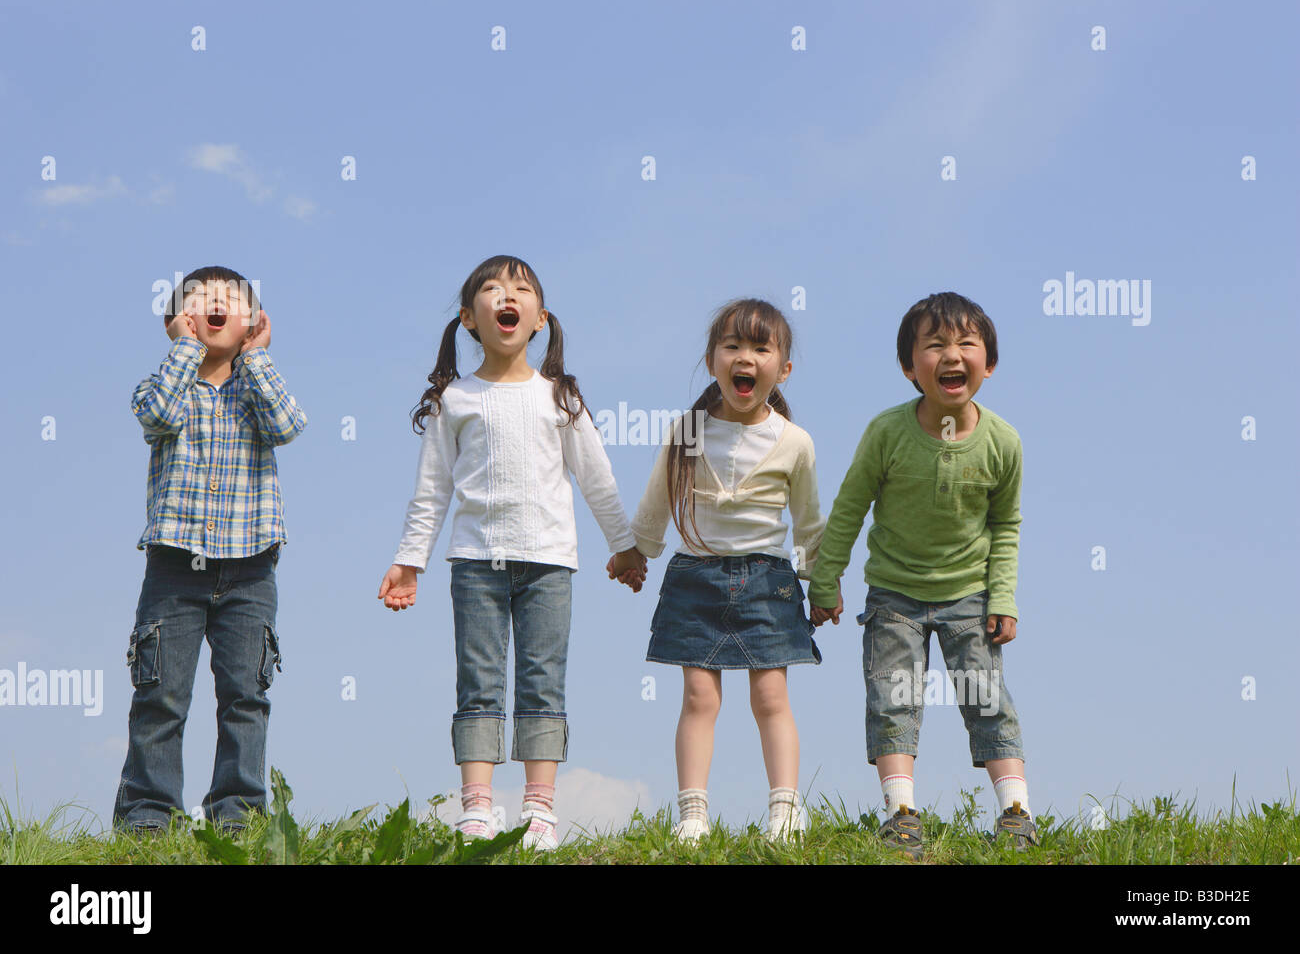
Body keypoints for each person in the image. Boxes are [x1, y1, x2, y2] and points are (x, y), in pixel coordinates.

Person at [379, 255, 644, 851]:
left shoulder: (561, 397)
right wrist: (409, 560)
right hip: (476, 564)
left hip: (549, 564)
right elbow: (432, 491)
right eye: (492, 289)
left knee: (542, 683)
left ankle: (539, 811)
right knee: (479, 682)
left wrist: (623, 547)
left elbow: (596, 478)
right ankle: (477, 810)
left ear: (539, 318)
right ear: (470, 320)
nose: (507, 295)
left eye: (521, 289)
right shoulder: (456, 400)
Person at [809, 291, 1036, 858]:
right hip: (894, 596)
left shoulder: (1004, 442)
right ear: (911, 368)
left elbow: (1006, 524)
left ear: (989, 362)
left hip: (971, 597)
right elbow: (849, 507)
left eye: (966, 343)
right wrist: (824, 579)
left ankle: (1015, 810)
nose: (951, 354)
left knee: (987, 697)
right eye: (934, 345)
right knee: (893, 698)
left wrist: (1002, 598)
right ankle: (901, 812)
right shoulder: (887, 433)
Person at [616, 299, 825, 843]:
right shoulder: (686, 431)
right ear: (712, 362)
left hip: (769, 581)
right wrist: (637, 551)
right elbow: (657, 500)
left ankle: (784, 810)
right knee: (698, 698)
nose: (745, 357)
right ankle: (693, 814)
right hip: (696, 576)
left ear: (783, 369)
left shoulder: (795, 442)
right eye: (732, 346)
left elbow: (808, 523)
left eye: (761, 348)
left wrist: (822, 583)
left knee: (771, 697)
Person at [114, 265, 307, 836]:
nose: (217, 303)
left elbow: (288, 425)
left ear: (251, 321)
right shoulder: (162, 385)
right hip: (175, 565)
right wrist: (183, 349)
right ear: (178, 320)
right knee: (160, 697)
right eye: (202, 299)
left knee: (245, 696)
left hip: (250, 569)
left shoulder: (256, 385)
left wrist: (257, 358)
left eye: (232, 299)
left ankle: (239, 817)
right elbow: (157, 416)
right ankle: (147, 817)